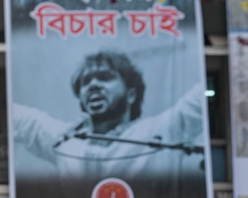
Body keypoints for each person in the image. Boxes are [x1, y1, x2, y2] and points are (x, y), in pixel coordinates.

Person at [13, 49, 205, 180]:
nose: (93, 85)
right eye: (86, 81)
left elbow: (199, 98)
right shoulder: (66, 141)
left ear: (131, 95)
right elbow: (17, 117)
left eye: (105, 78)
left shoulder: (158, 132)